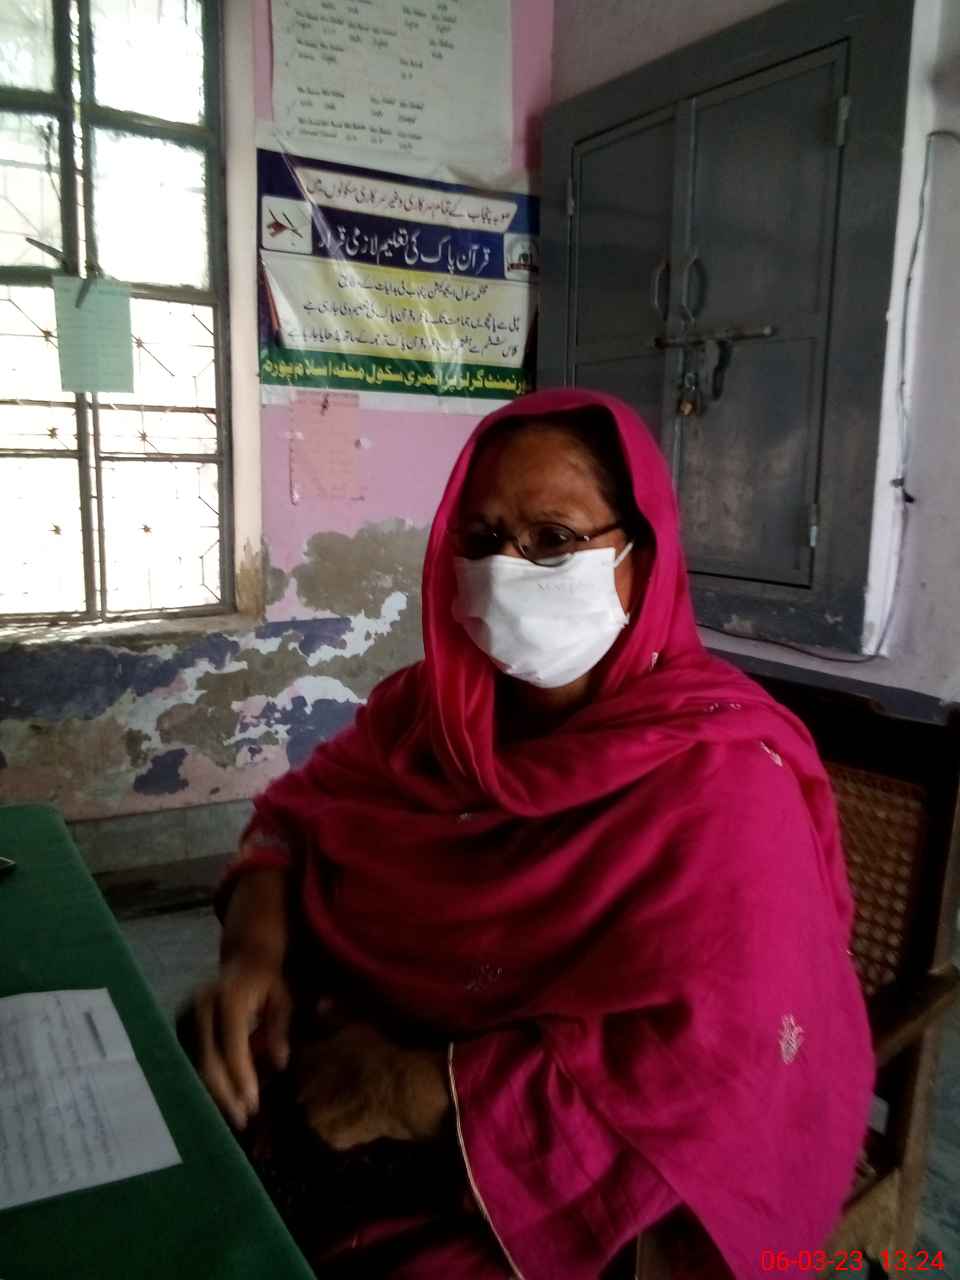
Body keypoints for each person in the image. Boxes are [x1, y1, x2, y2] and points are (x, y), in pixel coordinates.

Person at [187, 388, 874, 1278]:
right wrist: (255, 953)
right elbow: (293, 814)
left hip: (514, 1183)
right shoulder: (426, 717)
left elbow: (720, 1065)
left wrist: (409, 1091)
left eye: (553, 538)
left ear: (642, 556)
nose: (506, 570)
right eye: (480, 540)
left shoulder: (725, 781)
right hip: (321, 1076)